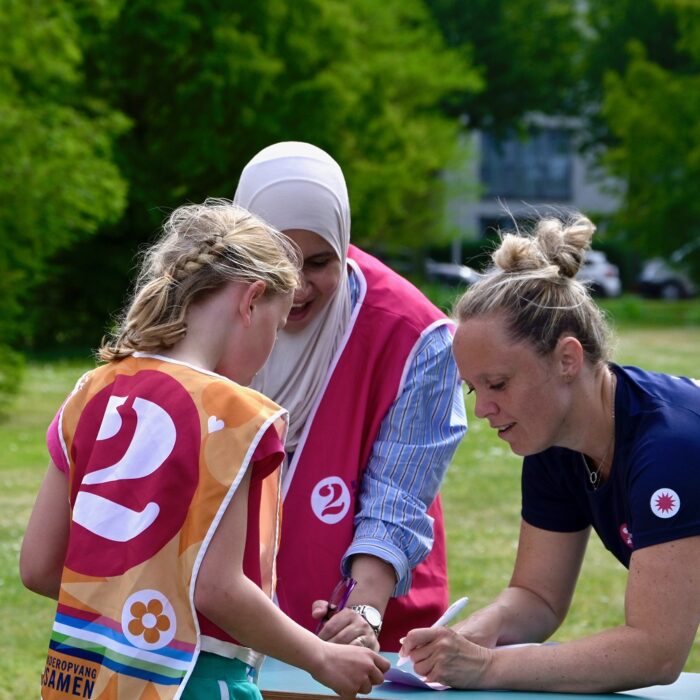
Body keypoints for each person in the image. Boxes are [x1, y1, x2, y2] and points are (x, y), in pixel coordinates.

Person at [20, 199, 388, 700]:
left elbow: (39, 566)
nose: (266, 358)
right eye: (276, 330)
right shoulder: (237, 415)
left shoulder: (92, 390)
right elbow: (217, 588)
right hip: (193, 682)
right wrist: (320, 656)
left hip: (79, 679)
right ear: (251, 300)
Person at [400, 213, 700, 692]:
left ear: (567, 359)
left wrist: (487, 668)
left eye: (497, 383)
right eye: (474, 390)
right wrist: (471, 636)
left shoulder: (670, 447)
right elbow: (537, 597)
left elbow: (656, 651)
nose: (484, 410)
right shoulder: (553, 440)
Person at [233, 142, 467, 652]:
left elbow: (395, 501)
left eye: (319, 262)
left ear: (343, 243)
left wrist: (361, 613)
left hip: (361, 631)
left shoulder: (413, 335)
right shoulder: (204, 308)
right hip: (222, 623)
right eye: (275, 261)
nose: (296, 288)